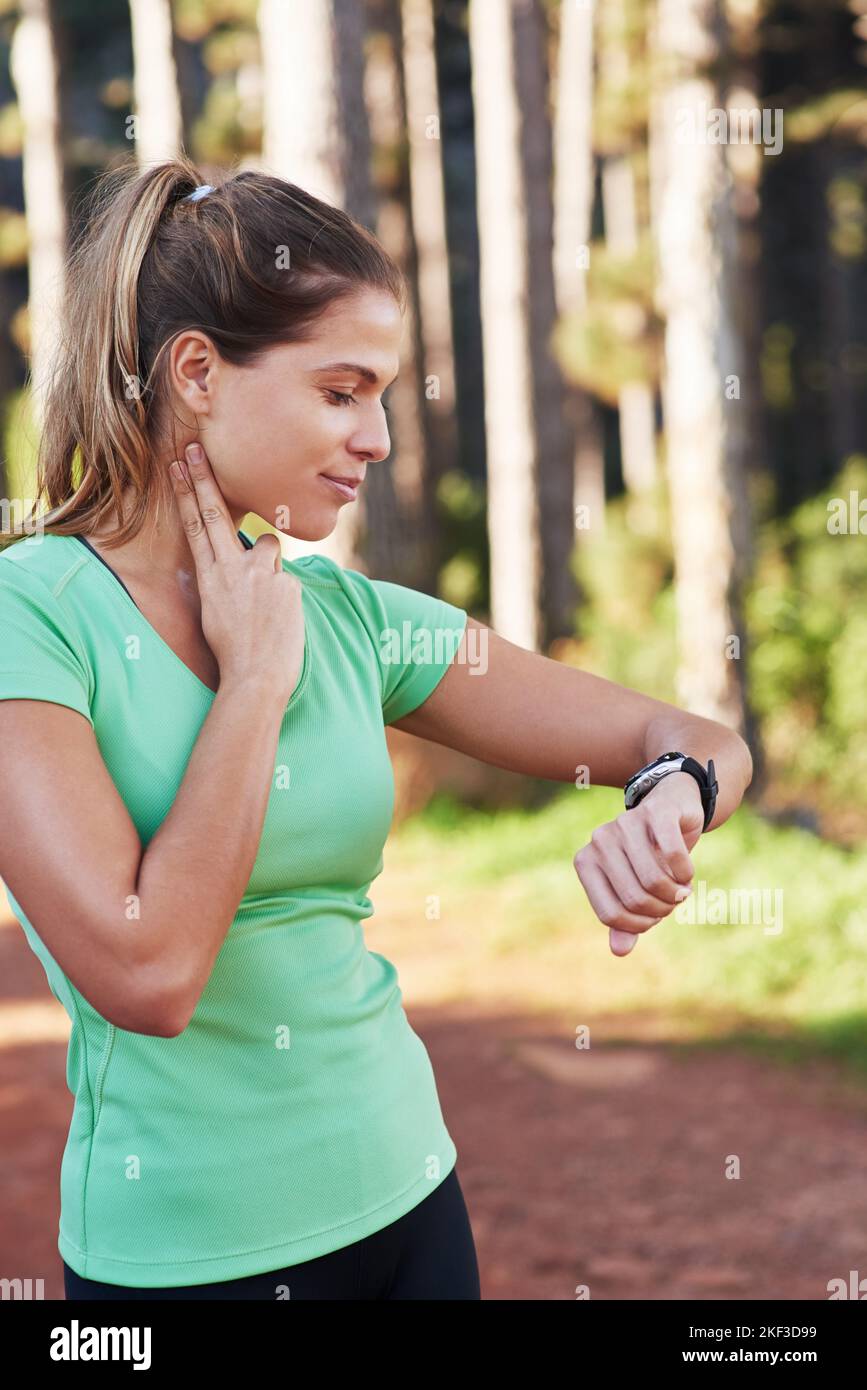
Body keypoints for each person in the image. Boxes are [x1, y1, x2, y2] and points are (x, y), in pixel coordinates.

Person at [0, 157, 752, 1300]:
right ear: (197, 370)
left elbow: (686, 732)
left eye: (385, 397)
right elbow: (147, 972)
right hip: (184, 1263)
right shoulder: (33, 617)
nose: (381, 440)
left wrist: (673, 792)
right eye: (342, 391)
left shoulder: (348, 617)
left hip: (412, 1208)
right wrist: (253, 681)